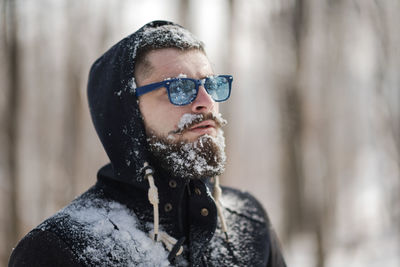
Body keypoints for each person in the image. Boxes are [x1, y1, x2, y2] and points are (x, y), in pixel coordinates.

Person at [9, 20, 286, 267]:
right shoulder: (61, 249)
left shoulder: (248, 223)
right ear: (127, 112)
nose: (205, 102)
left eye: (210, 84)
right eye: (179, 88)